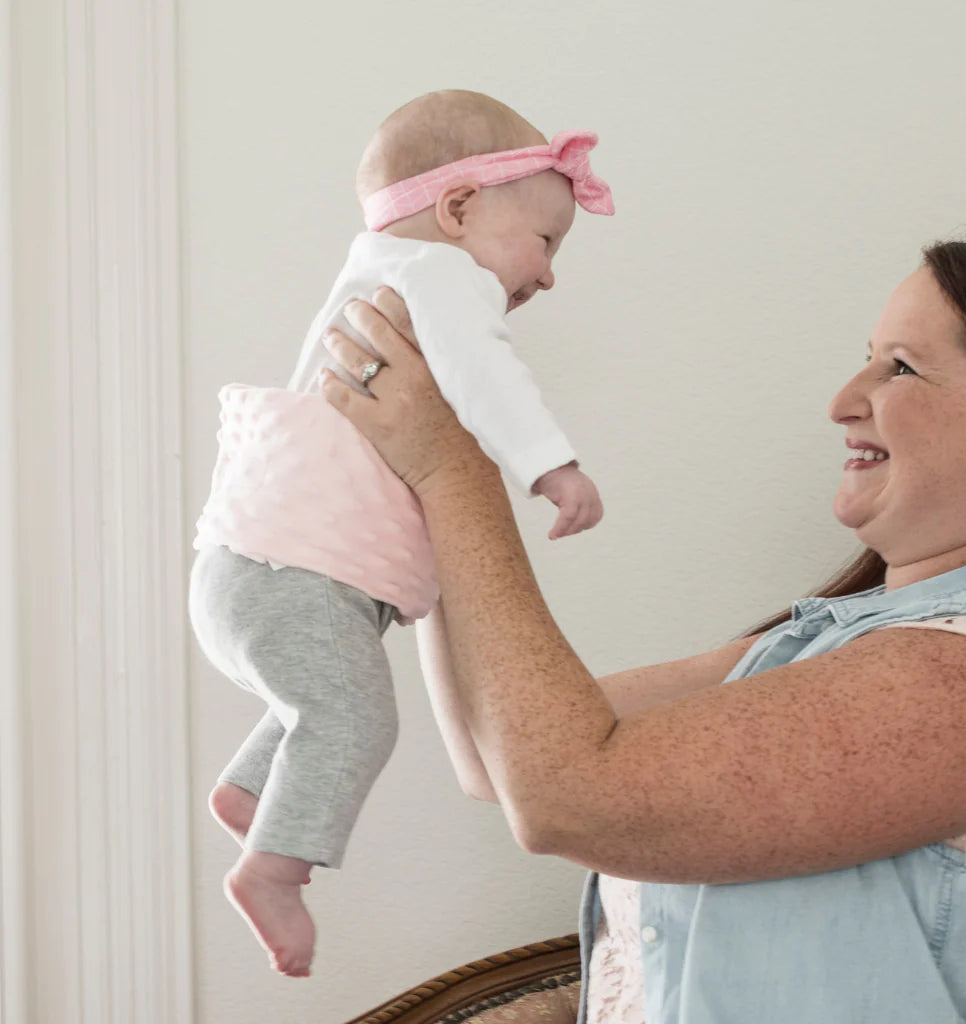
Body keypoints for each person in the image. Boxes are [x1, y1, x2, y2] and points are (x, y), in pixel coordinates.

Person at [319, 235, 966, 1022]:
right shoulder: (835, 646)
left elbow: (567, 795)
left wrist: (453, 468)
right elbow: (496, 759)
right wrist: (418, 479)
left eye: (899, 366)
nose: (843, 400)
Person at [188, 89, 614, 977]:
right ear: (458, 210)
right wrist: (551, 466)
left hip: (260, 573)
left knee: (323, 701)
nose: (547, 276)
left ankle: (252, 789)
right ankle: (274, 868)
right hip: (288, 577)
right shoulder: (440, 276)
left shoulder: (382, 275)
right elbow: (483, 373)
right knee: (356, 716)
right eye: (545, 242)